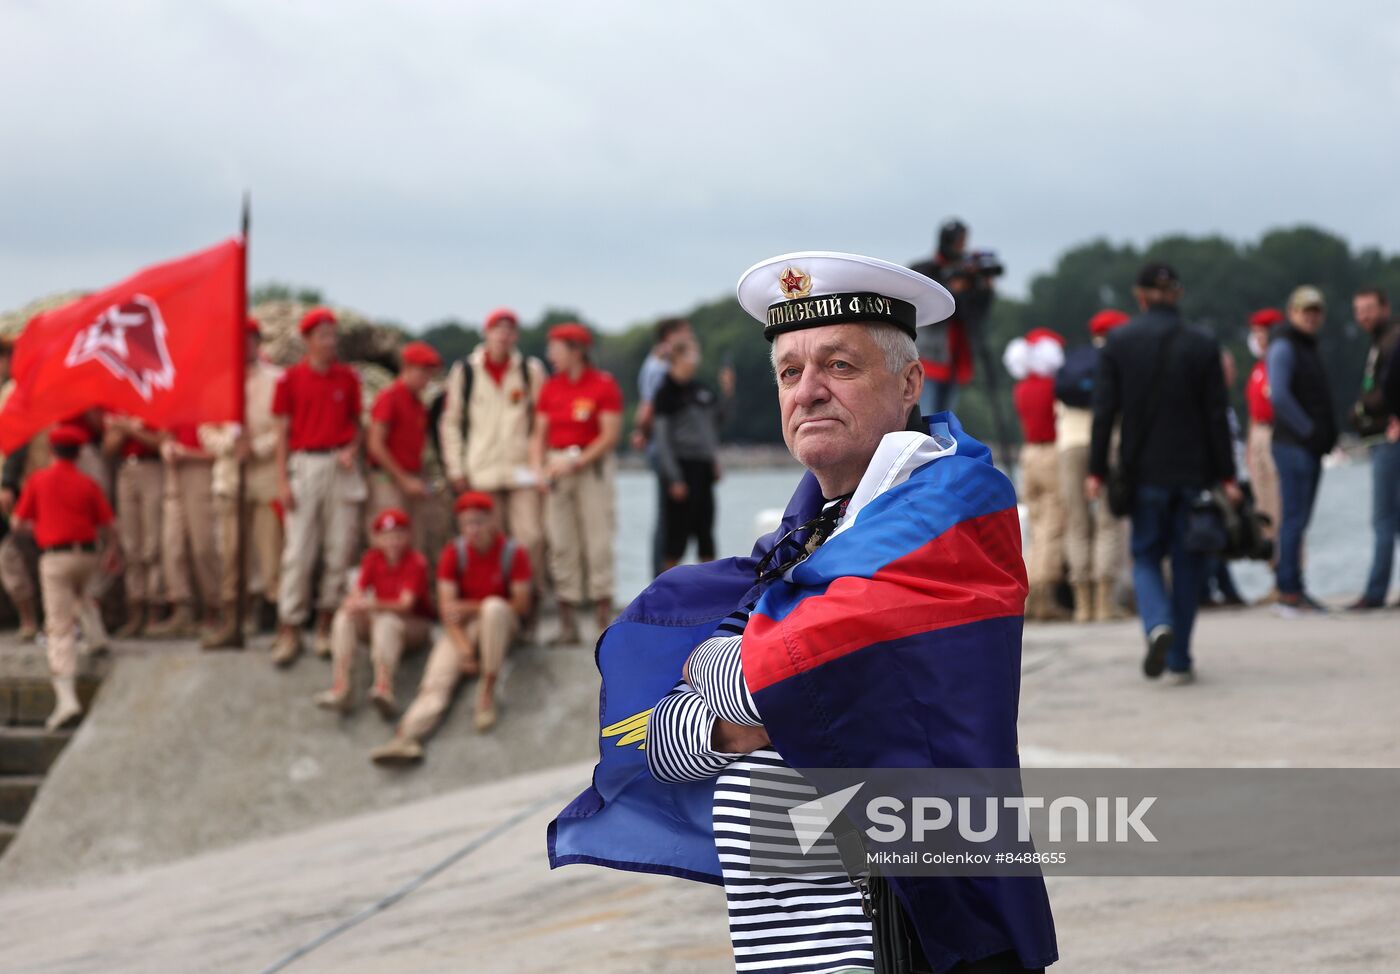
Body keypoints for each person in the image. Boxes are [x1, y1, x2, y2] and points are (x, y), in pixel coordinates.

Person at [641, 251, 1056, 973]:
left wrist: (723, 675)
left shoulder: (948, 507)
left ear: (909, 383)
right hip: (797, 939)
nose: (809, 391)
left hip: (925, 924)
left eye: (839, 365)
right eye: (790, 372)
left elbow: (763, 675)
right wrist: (756, 714)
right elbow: (657, 738)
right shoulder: (798, 539)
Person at [1088, 263, 1240, 683]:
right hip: (1194, 473)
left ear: (1139, 296)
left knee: (1147, 556)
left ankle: (1157, 624)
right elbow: (1216, 417)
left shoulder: (1119, 342)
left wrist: (1096, 469)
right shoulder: (1203, 343)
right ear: (1178, 293)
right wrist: (1227, 475)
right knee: (1189, 564)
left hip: (1143, 471)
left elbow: (1105, 413)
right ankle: (1180, 658)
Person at [370, 492, 531, 765]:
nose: (473, 530)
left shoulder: (512, 553)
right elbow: (447, 610)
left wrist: (472, 607)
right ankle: (407, 735)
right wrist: (465, 650)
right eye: (467, 523)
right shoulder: (453, 554)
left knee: (493, 608)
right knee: (437, 677)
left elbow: (521, 605)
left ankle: (487, 691)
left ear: (492, 521)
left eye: (479, 522)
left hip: (500, 623)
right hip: (463, 628)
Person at [270, 307, 366, 666]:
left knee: (339, 548)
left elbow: (358, 424)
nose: (330, 342)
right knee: (298, 551)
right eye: (323, 336)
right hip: (304, 463)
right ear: (307, 340)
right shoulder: (289, 380)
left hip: (339, 466)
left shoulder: (348, 379)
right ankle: (289, 626)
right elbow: (281, 433)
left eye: (333, 335)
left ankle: (325, 622)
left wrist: (352, 448)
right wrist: (282, 480)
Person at [10, 424, 121, 730]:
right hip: (87, 554)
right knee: (82, 594)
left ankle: (66, 698)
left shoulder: (39, 480)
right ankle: (97, 637)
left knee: (58, 626)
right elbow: (110, 525)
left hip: (55, 556)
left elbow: (18, 522)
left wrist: (41, 530)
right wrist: (111, 551)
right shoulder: (87, 483)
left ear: (50, 451)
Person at [437, 308, 547, 581]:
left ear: (516, 336)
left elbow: (543, 421)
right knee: (487, 539)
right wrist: (456, 468)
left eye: (509, 330)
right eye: (497, 329)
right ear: (486, 333)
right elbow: (450, 421)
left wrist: (539, 465)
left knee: (531, 537)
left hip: (521, 469)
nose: (503, 336)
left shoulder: (528, 370)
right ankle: (497, 598)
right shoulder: (466, 370)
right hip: (481, 467)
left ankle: (529, 599)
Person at [530, 322, 621, 643]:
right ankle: (567, 623)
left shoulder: (602, 385)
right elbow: (538, 435)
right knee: (561, 542)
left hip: (589, 465)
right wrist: (538, 470)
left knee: (597, 540)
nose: (551, 356)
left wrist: (577, 461)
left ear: (576, 350)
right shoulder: (551, 387)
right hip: (557, 467)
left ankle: (602, 619)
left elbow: (609, 435)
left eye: (556, 349)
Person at [198, 317, 285, 648]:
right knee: (232, 555)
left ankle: (278, 623)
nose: (245, 345)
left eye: (250, 339)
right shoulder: (217, 382)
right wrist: (231, 447)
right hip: (231, 478)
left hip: (265, 479)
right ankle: (233, 621)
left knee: (271, 553)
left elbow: (281, 430)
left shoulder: (276, 381)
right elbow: (206, 431)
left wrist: (257, 448)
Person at [315, 507, 434, 717]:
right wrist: (352, 604)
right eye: (387, 536)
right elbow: (357, 593)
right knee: (345, 617)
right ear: (377, 538)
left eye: (398, 535)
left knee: (386, 620)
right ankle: (342, 685)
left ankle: (383, 687)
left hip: (413, 626)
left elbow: (405, 605)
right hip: (379, 622)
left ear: (407, 536)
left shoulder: (416, 562)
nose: (393, 542)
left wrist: (370, 604)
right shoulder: (372, 558)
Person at [1054, 309, 1130, 622]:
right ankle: (1104, 601)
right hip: (1109, 443)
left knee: (1076, 521)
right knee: (1110, 521)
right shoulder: (1121, 362)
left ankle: (1082, 604)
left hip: (1070, 445)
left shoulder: (1072, 363)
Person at [1267, 285, 1338, 617]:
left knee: (1299, 519)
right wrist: (1308, 430)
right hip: (1294, 445)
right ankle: (1289, 590)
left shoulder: (1308, 346)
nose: (1311, 317)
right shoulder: (1284, 346)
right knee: (1293, 519)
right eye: (1304, 311)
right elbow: (1278, 395)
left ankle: (1294, 586)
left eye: (1315, 312)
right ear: (1291, 312)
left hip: (1309, 447)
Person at [652, 337, 733, 570]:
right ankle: (665, 592)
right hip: (681, 466)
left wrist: (727, 391)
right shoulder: (665, 392)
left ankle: (709, 592)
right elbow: (662, 439)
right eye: (691, 354)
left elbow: (717, 421)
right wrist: (674, 477)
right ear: (676, 358)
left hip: (704, 468)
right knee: (675, 537)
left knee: (705, 532)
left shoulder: (701, 390)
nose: (695, 359)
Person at [1005, 328, 1069, 621]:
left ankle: (1030, 595)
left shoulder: (1020, 389)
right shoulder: (1052, 387)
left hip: (1028, 455)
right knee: (1054, 526)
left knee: (1037, 527)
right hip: (1051, 453)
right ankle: (1046, 595)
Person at [1348, 287, 1400, 610]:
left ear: (1385, 308)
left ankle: (1374, 592)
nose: (1364, 316)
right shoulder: (1381, 342)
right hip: (1381, 437)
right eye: (1359, 310)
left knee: (1383, 518)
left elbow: (1389, 387)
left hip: (1388, 438)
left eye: (1369, 308)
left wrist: (1360, 411)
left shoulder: (1393, 339)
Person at [630, 317, 693, 576]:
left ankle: (663, 574)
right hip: (664, 448)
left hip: (662, 446)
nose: (690, 337)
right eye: (685, 332)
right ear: (670, 335)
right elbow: (648, 408)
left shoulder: (656, 361)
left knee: (669, 516)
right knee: (668, 517)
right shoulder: (660, 367)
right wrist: (643, 433)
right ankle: (661, 576)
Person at [366, 340, 441, 555]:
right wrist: (403, 479)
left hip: (412, 477)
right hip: (388, 480)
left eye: (430, 374)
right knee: (388, 538)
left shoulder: (418, 403)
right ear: (406, 368)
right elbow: (375, 444)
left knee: (413, 538)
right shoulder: (389, 398)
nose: (427, 380)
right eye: (422, 373)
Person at [148, 423, 219, 639]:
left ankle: (213, 610)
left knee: (202, 544)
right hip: (174, 471)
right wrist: (165, 445)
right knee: (173, 544)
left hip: (200, 471)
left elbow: (223, 452)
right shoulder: (176, 400)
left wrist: (188, 453)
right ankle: (182, 609)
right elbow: (163, 433)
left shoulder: (211, 400)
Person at [100, 414, 165, 638]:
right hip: (126, 469)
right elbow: (108, 449)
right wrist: (122, 431)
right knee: (130, 544)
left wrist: (130, 430)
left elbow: (161, 442)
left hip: (152, 467)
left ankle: (156, 609)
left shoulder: (155, 401)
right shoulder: (120, 405)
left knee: (153, 542)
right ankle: (136, 609)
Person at [1244, 308, 1283, 567]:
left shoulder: (1280, 363)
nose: (1258, 338)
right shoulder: (1259, 367)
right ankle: (1274, 573)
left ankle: (1288, 574)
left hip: (1276, 433)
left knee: (1280, 507)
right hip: (1258, 433)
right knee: (1264, 509)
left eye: (1263, 332)